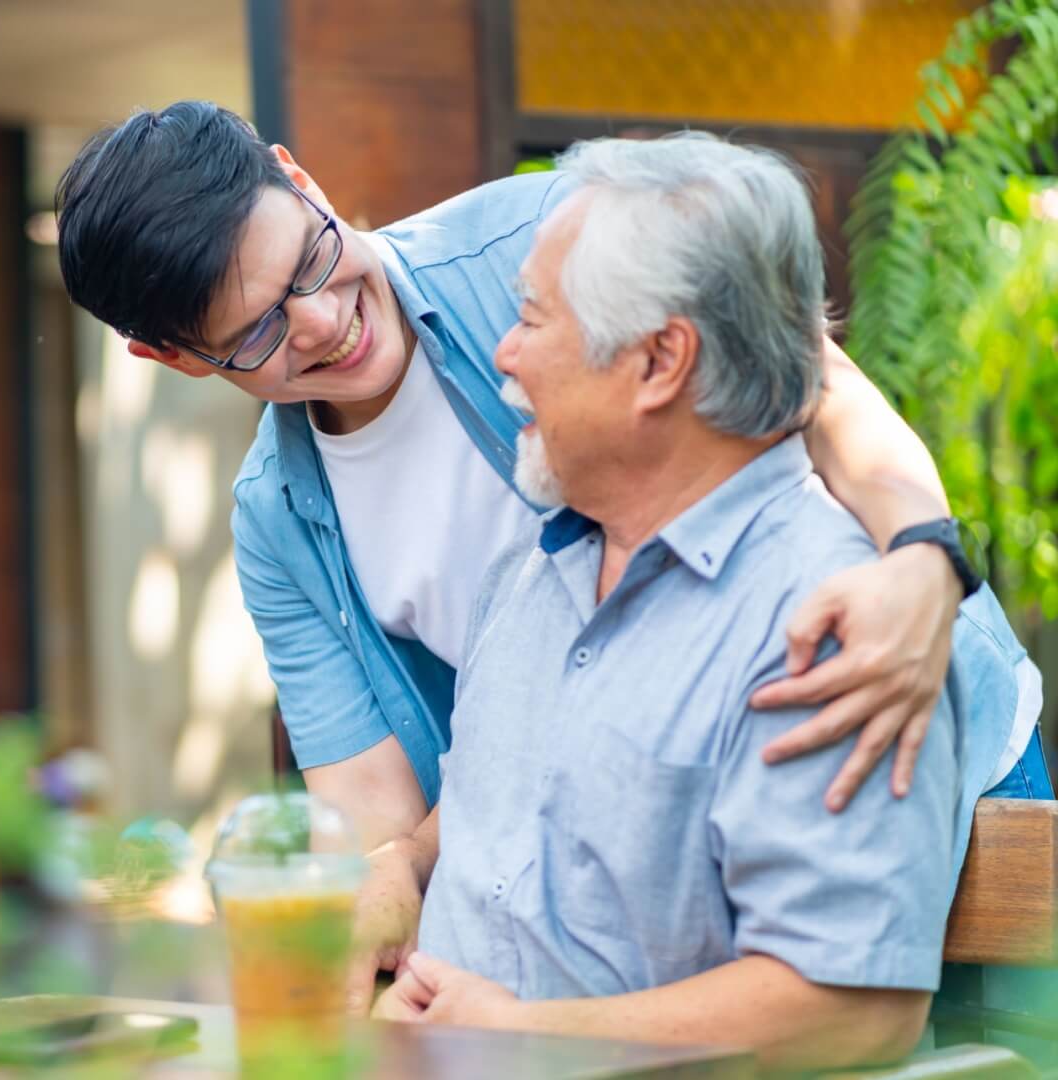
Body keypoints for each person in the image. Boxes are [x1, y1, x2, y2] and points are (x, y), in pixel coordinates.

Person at [54, 102, 1047, 1006]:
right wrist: (399, 917)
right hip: (647, 854)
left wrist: (920, 563)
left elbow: (814, 387)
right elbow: (387, 832)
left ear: (297, 178)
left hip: (878, 703)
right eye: (258, 330)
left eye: (311, 259)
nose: (321, 322)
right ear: (175, 358)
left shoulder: (552, 243)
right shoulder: (279, 523)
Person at [370, 133, 983, 1069]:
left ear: (660, 362)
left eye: (532, 319)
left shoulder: (824, 622)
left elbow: (855, 1006)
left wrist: (521, 1036)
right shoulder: (531, 578)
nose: (503, 352)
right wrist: (404, 872)